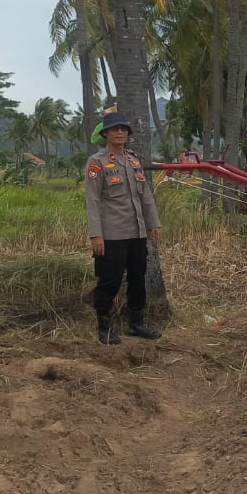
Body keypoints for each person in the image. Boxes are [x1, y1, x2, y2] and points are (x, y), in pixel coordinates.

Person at [84, 112, 162, 344]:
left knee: (138, 279)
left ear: (128, 134)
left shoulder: (133, 160)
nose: (119, 132)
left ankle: (136, 324)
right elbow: (92, 199)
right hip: (112, 235)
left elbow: (145, 195)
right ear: (105, 133)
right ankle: (104, 328)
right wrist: (96, 234)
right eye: (114, 129)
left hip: (137, 232)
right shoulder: (97, 162)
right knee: (109, 280)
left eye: (123, 129)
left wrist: (153, 222)